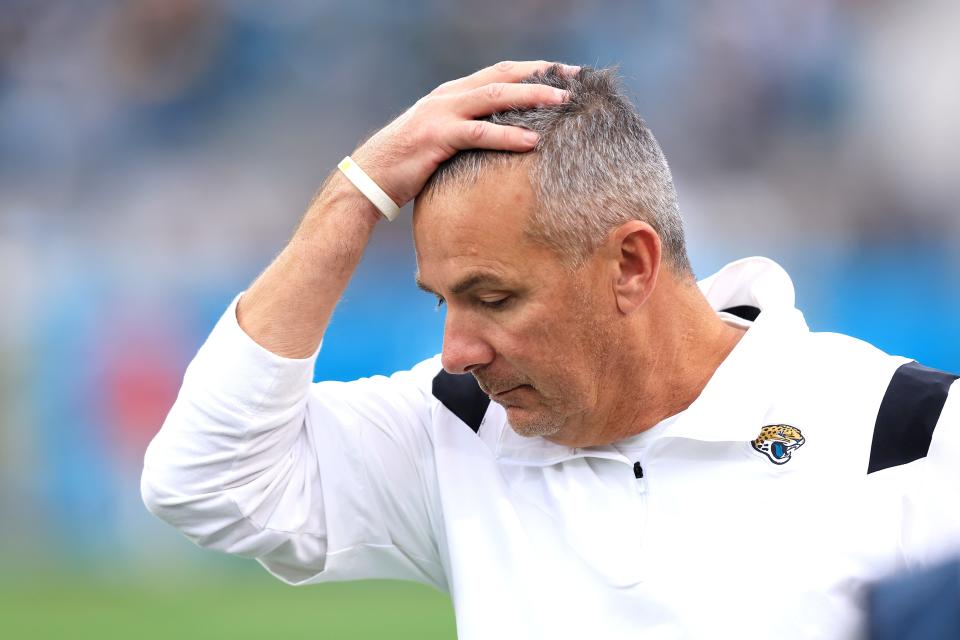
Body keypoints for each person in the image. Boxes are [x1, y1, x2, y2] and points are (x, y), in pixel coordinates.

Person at [141, 61, 960, 639]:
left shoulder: (913, 432)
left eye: (493, 298)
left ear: (630, 265)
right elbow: (205, 480)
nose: (456, 350)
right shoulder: (457, 426)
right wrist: (358, 192)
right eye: (443, 300)